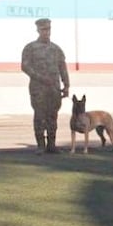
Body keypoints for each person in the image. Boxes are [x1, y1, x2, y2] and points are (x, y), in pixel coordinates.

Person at [20, 18, 70, 154]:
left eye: (48, 29)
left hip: (54, 88)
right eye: (43, 29)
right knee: (40, 116)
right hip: (38, 88)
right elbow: (25, 66)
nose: (46, 32)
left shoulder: (56, 49)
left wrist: (66, 85)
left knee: (53, 117)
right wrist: (40, 78)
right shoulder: (30, 48)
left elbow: (63, 68)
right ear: (38, 30)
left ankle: (51, 145)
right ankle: (41, 145)